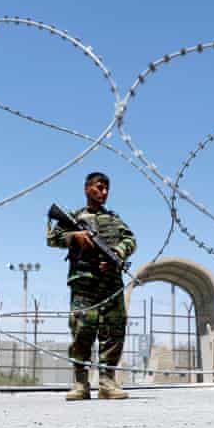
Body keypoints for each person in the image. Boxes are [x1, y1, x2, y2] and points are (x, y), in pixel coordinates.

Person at [47, 171, 136, 400]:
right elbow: (52, 239)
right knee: (82, 330)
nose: (103, 192)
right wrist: (74, 237)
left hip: (111, 284)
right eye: (99, 187)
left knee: (114, 331)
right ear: (87, 189)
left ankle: (107, 382)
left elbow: (130, 240)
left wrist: (117, 252)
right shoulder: (75, 217)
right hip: (84, 283)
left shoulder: (115, 220)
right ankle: (80, 382)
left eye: (106, 188)